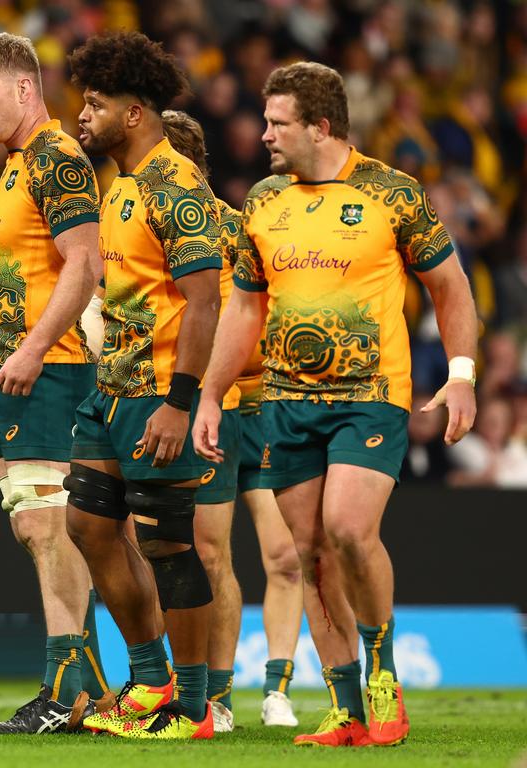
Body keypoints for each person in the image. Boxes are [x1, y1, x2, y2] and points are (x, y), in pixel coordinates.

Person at [193, 61, 478, 748]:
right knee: (312, 551)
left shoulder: (392, 194)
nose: (263, 135)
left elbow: (451, 286)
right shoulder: (262, 201)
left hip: (370, 396)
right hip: (284, 402)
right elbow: (244, 305)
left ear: (320, 127)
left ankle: (384, 683)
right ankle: (347, 709)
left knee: (349, 530)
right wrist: (208, 392)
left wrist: (463, 374)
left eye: (278, 123)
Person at [66, 31, 222, 741]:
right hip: (110, 389)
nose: (81, 117)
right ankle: (151, 682)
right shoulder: (120, 186)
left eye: (94, 105)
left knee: (168, 545)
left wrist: (179, 403)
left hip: (158, 391)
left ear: (133, 113)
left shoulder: (176, 185)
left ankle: (190, 709)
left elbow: (205, 302)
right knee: (88, 526)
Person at [0, 32, 112, 734]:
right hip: (11, 375)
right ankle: (95, 689)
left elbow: (84, 264)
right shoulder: (21, 163)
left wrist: (31, 349)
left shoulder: (56, 159)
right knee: (35, 527)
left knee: (50, 529)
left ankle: (62, 692)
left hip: (46, 372)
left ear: (26, 89)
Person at [162, 110, 303, 731]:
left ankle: (229, 695)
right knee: (192, 550)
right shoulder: (140, 218)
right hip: (192, 402)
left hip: (237, 405)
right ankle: (190, 689)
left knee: (240, 553)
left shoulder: (230, 227)